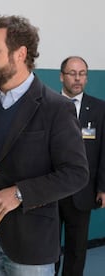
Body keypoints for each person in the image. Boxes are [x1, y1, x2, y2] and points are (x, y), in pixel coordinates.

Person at [0, 15, 89, 276]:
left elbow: (76, 173)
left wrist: (20, 193)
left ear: (20, 53)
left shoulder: (57, 108)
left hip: (31, 245)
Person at [55, 56, 105, 276]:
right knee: (48, 248)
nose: (77, 78)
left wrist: (102, 187)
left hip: (82, 190)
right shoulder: (48, 105)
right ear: (61, 76)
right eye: (72, 73)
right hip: (51, 190)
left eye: (82, 73)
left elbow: (104, 150)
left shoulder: (99, 108)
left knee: (77, 248)